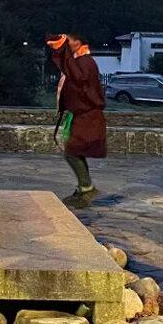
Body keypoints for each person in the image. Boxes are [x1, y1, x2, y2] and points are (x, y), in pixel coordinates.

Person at [47, 32, 106, 209]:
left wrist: (61, 51)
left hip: (87, 115)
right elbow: (70, 69)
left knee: (72, 151)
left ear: (79, 42)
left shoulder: (86, 63)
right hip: (81, 114)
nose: (68, 44)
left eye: (70, 41)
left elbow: (75, 75)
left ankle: (86, 188)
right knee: (75, 150)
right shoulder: (80, 62)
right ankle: (84, 188)